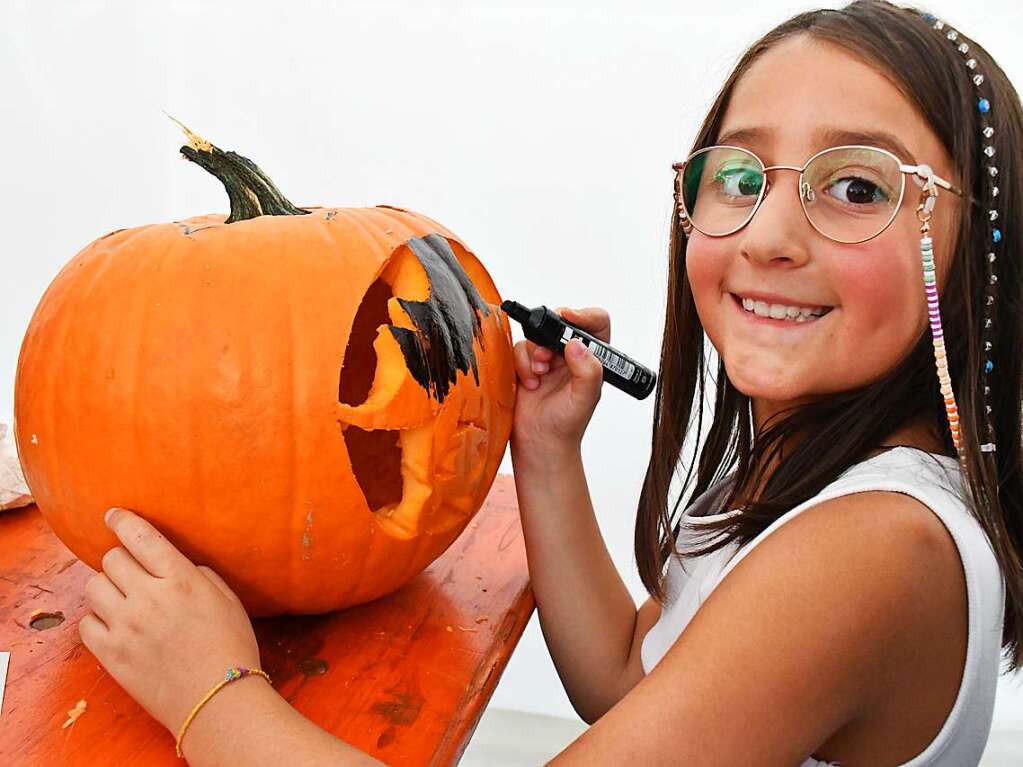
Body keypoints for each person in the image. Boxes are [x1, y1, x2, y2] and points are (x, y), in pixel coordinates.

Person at [78, 1, 1022, 765]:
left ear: (978, 248)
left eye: (857, 187)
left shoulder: (869, 550)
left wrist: (209, 693)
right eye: (739, 176)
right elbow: (627, 678)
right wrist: (545, 447)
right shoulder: (812, 470)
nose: (769, 233)